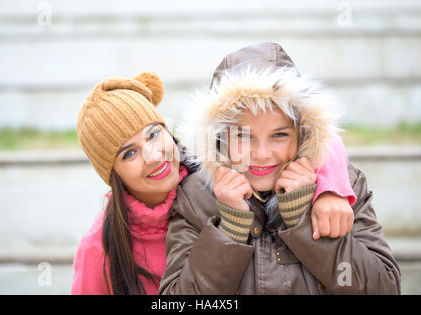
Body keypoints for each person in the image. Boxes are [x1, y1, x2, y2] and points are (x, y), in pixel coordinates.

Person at [159, 42, 401, 294]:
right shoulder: (196, 197)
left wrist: (303, 220)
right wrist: (229, 231)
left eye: (279, 135)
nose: (262, 155)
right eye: (242, 136)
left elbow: (383, 288)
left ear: (302, 134)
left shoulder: (341, 187)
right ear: (220, 137)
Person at [71, 73, 197, 294]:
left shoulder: (220, 195)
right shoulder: (98, 249)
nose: (153, 156)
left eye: (153, 134)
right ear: (114, 175)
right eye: (129, 154)